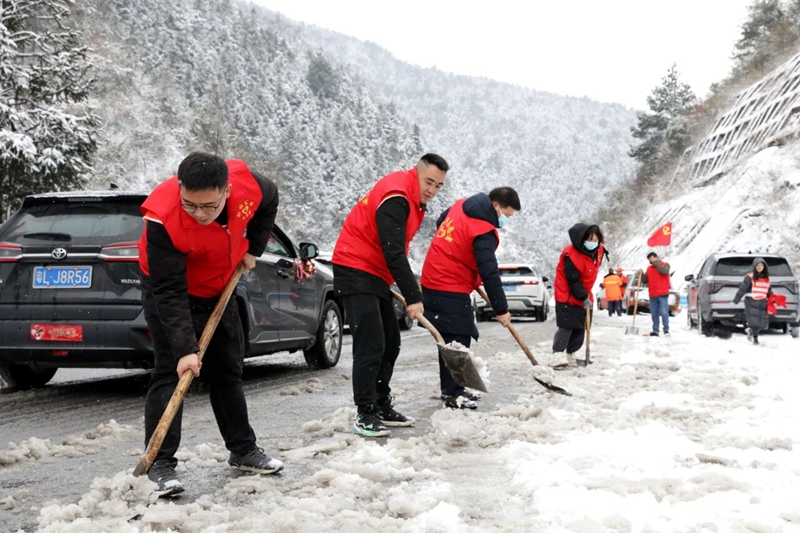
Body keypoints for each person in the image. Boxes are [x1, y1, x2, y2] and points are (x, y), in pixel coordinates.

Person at [138, 152, 282, 496]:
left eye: (209, 206)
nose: (199, 214)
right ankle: (159, 464)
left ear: (227, 192)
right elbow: (168, 291)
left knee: (226, 369)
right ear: (180, 189)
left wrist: (255, 249)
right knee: (170, 372)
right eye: (190, 205)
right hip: (171, 291)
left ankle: (243, 450)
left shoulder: (249, 186)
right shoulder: (162, 219)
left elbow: (270, 198)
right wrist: (186, 349)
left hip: (220, 286)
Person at [332, 154, 448, 437]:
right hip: (354, 266)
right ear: (417, 174)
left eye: (439, 185)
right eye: (429, 181)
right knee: (370, 343)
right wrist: (413, 296)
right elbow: (393, 250)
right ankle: (365, 412)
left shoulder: (411, 199)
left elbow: (393, 251)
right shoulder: (397, 197)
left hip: (373, 272)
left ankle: (381, 403)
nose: (432, 189)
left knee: (391, 341)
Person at [420, 187, 520, 409]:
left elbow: (440, 222)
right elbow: (489, 271)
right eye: (508, 215)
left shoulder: (461, 205)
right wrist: (501, 310)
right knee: (458, 338)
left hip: (434, 275)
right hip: (448, 283)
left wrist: (456, 256)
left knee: (449, 338)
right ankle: (453, 394)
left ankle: (454, 389)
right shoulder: (482, 229)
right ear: (496, 206)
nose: (506, 220)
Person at [552, 223, 605, 368]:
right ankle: (557, 354)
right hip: (567, 295)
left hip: (584, 294)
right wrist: (583, 297)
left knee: (581, 327)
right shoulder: (570, 255)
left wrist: (586, 297)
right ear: (581, 239)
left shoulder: (597, 252)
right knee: (567, 326)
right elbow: (573, 280)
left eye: (596, 240)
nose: (593, 244)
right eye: (590, 240)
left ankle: (571, 354)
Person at [733, 258, 772, 345]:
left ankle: (751, 331)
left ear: (764, 267)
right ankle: (755, 339)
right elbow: (742, 289)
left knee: (762, 323)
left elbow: (768, 291)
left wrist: (773, 299)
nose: (759, 267)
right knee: (754, 322)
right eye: (757, 265)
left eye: (761, 265)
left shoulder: (766, 279)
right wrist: (736, 299)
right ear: (754, 266)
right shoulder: (749, 277)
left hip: (763, 303)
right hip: (751, 302)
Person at [641, 251, 671, 337]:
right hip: (653, 294)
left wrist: (656, 263)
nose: (651, 261)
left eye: (652, 258)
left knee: (664, 312)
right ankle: (655, 330)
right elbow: (645, 280)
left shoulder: (665, 265)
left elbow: (664, 272)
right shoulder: (649, 269)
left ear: (656, 257)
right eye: (649, 260)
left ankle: (666, 330)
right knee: (654, 313)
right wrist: (641, 274)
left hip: (662, 293)